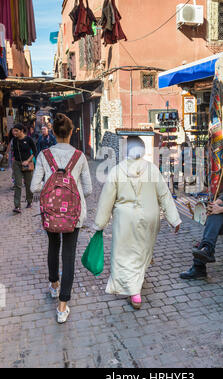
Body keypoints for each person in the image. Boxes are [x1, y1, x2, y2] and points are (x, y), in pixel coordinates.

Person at [94, 136, 181, 310]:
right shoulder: (152, 169)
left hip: (125, 221)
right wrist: (174, 219)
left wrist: (100, 224)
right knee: (141, 249)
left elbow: (106, 201)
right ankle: (138, 278)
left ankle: (135, 293)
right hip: (150, 217)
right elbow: (164, 194)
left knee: (125, 255)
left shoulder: (117, 171)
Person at [30, 113, 92, 324]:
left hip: (51, 213)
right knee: (69, 255)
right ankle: (63, 306)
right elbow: (89, 189)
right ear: (72, 132)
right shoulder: (80, 156)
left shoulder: (44, 155)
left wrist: (51, 187)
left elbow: (34, 187)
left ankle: (54, 286)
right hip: (74, 214)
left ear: (54, 133)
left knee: (52, 246)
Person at [10, 124, 37, 213]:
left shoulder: (28, 139)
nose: (14, 132)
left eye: (16, 131)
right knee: (17, 184)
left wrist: (28, 161)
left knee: (28, 184)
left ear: (22, 131)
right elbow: (13, 151)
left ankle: (29, 201)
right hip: (17, 164)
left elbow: (35, 151)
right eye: (14, 131)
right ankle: (17, 206)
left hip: (27, 164)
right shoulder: (14, 140)